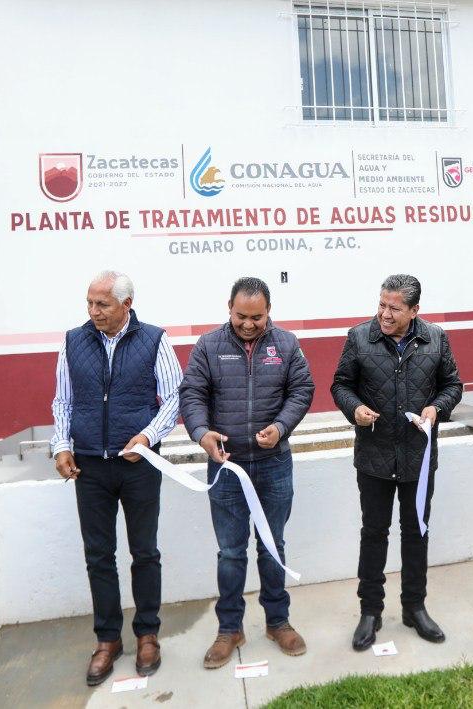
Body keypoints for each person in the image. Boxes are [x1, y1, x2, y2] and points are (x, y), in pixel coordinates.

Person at [50, 271, 182, 686]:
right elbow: (63, 400)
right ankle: (107, 640)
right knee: (98, 555)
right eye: (89, 303)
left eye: (102, 304)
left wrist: (147, 436)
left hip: (138, 464)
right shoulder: (73, 341)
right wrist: (61, 445)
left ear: (127, 304)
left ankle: (147, 635)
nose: (94, 312)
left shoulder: (155, 340)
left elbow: (173, 397)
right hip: (90, 465)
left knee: (145, 552)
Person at [179, 277, 314, 670]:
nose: (249, 324)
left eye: (257, 317)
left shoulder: (286, 344)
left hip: (274, 465)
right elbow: (192, 393)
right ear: (229, 308)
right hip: (227, 467)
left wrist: (281, 427)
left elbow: (301, 390)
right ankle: (229, 629)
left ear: (269, 311)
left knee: (272, 546)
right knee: (230, 552)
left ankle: (278, 622)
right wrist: (201, 433)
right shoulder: (208, 346)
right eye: (241, 316)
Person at [331, 274, 462, 651]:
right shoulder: (359, 337)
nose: (385, 315)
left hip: (418, 458)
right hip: (373, 458)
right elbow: (340, 385)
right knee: (373, 533)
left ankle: (414, 607)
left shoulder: (436, 338)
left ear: (414, 310)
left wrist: (436, 408)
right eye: (381, 305)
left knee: (416, 532)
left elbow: (452, 385)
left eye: (394, 308)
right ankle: (370, 611)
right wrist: (355, 409)